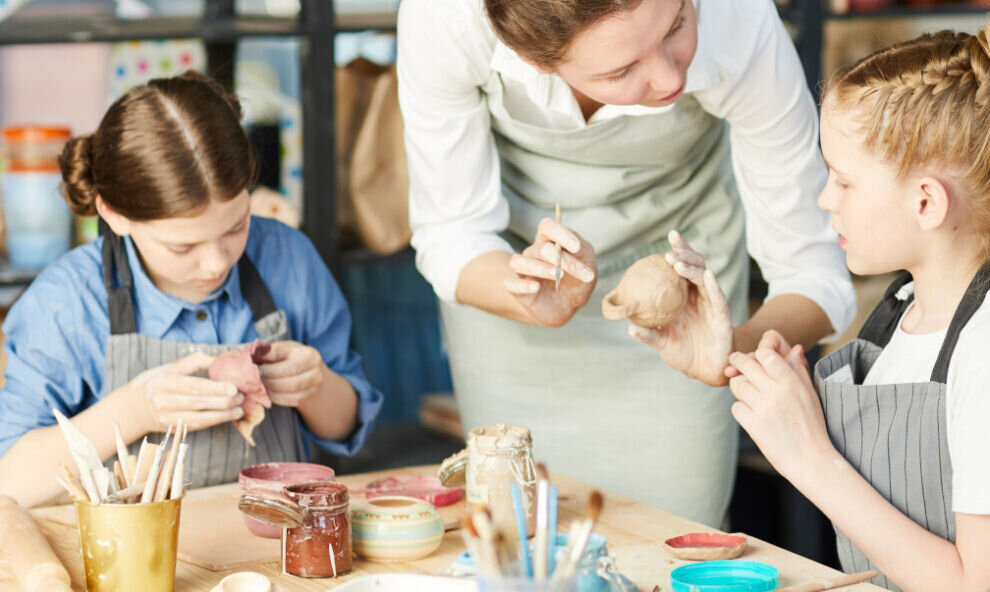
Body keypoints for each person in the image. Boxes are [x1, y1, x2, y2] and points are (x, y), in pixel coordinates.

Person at [397, 0, 855, 526]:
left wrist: (729, 349)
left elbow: (814, 270)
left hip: (686, 305)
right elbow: (453, 232)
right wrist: (525, 297)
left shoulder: (738, 17)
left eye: (678, 22)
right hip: (513, 290)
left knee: (677, 543)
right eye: (621, 71)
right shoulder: (445, 15)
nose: (668, 76)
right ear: (532, 58)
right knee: (521, 542)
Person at [0, 71, 383, 507]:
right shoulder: (66, 302)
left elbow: (345, 426)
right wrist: (135, 411)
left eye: (237, 226)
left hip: (275, 551)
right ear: (113, 214)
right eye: (183, 246)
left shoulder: (288, 258)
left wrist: (316, 385)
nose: (217, 262)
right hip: (131, 566)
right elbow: (10, 481)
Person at [726, 27, 990, 591]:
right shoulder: (904, 311)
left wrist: (809, 458)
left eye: (843, 181)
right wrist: (793, 403)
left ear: (925, 202)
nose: (826, 199)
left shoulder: (984, 347)